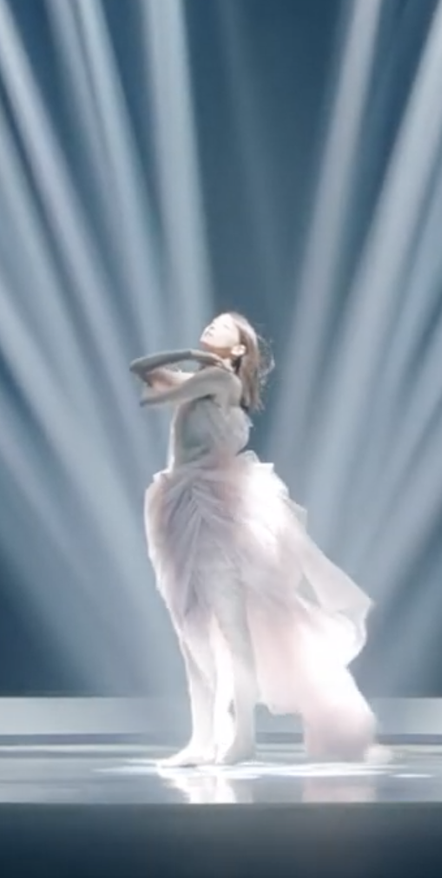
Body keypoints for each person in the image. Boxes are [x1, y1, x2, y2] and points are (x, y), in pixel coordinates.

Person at [132, 313, 386, 766]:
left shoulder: (219, 380)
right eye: (211, 323)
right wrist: (188, 353)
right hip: (180, 504)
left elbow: (157, 394)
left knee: (232, 628)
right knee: (190, 630)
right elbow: (143, 373)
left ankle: (243, 737)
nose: (211, 326)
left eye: (222, 327)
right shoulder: (204, 376)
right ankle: (202, 739)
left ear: (238, 350)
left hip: (215, 510)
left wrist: (194, 363)